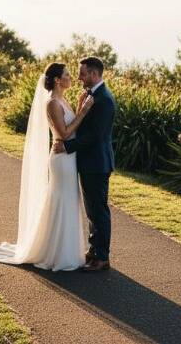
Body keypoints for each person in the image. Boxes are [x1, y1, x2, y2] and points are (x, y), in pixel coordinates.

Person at [0, 62, 95, 271]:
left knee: (69, 199)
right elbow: (64, 134)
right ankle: (54, 252)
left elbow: (71, 126)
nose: (72, 78)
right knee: (62, 198)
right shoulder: (52, 103)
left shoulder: (63, 99)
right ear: (58, 80)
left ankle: (64, 249)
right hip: (61, 159)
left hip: (69, 156)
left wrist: (78, 108)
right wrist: (84, 112)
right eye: (67, 75)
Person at [51, 56, 116, 271]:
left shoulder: (103, 99)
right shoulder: (89, 95)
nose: (79, 77)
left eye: (83, 73)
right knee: (92, 210)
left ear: (94, 74)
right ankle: (94, 249)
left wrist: (68, 147)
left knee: (98, 210)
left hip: (97, 163)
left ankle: (102, 257)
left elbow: (96, 136)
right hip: (88, 162)